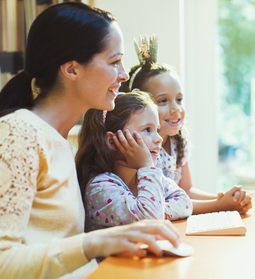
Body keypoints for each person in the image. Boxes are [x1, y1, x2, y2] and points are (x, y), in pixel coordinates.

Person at [0, 4, 180, 279]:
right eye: (115, 62)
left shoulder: (61, 139)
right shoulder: (17, 133)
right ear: (72, 69)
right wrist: (95, 243)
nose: (123, 75)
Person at [120, 35, 253, 215]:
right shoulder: (140, 146)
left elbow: (186, 190)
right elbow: (158, 203)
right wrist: (220, 205)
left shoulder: (178, 141)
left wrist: (224, 199)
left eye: (179, 99)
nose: (176, 109)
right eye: (163, 101)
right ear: (140, 105)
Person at [76, 91, 193, 232]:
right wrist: (146, 166)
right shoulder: (99, 188)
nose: (158, 138)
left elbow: (185, 203)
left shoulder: (149, 178)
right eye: (147, 130)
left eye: (157, 129)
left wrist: (157, 209)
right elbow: (151, 220)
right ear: (112, 141)